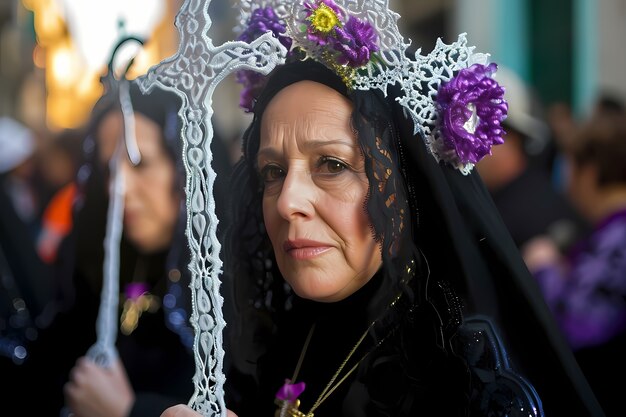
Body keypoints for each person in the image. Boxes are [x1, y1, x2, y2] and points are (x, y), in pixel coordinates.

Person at [162, 1, 605, 416]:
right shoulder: (270, 338)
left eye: (332, 165)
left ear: (406, 187)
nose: (288, 202)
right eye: (273, 172)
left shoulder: (463, 376)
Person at [24, 75, 233, 416]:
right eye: (109, 170)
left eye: (140, 164)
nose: (118, 190)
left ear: (187, 168)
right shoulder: (99, 265)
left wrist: (130, 411)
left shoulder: (234, 292)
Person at [523, 106, 626, 417]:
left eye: (569, 168)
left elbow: (577, 325)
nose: (565, 183)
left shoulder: (617, 238)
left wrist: (545, 270)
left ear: (590, 171)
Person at [475, 67, 588, 253]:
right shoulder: (494, 200)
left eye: (474, 132)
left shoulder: (537, 212)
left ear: (505, 136)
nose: (462, 149)